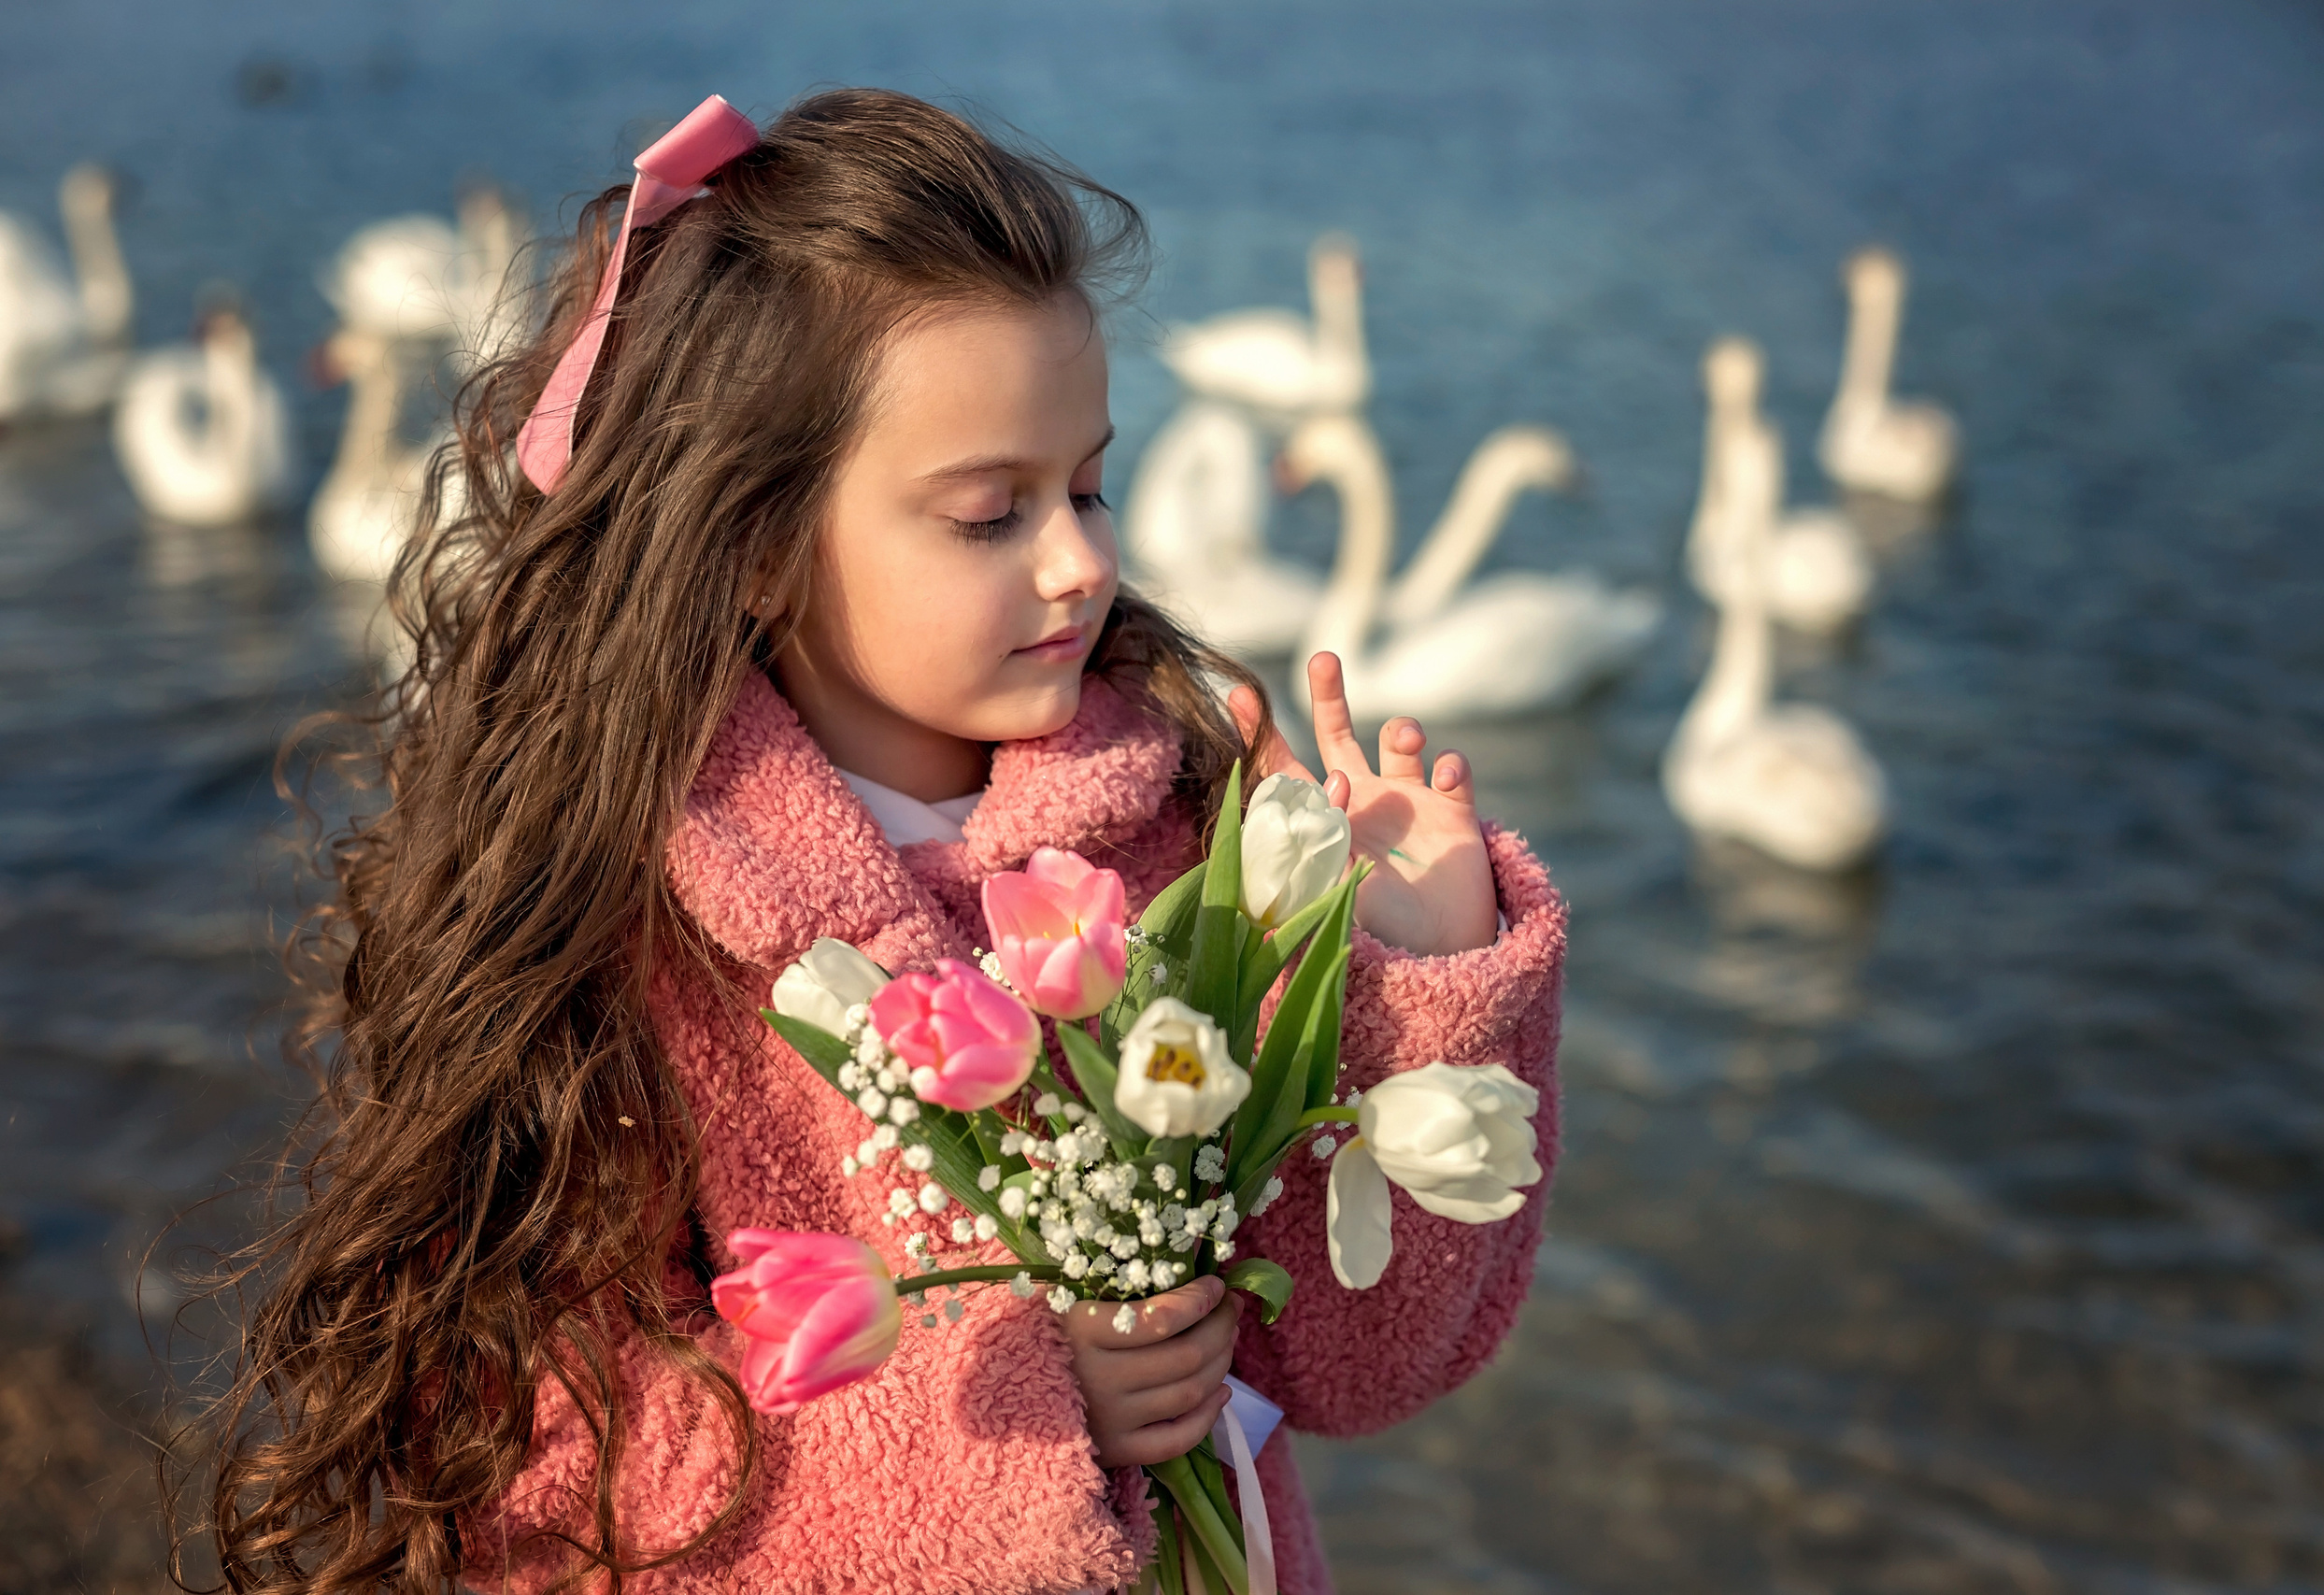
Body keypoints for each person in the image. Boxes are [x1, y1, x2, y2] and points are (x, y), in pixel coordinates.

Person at [207, 88, 1567, 1595]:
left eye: (1092, 482)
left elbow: (1367, 1366)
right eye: (992, 514)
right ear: (757, 545)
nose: (1085, 559)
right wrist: (1021, 1422)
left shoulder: (1189, 833)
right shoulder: (628, 925)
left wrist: (1412, 978)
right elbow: (554, 1471)